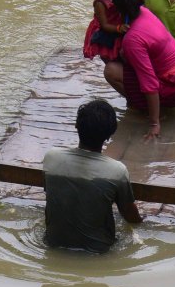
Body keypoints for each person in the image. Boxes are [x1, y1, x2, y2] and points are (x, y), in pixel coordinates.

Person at [42, 99, 143, 253]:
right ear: (109, 135)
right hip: (98, 251)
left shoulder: (51, 158)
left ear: (76, 126)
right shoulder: (117, 171)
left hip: (53, 244)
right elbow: (130, 216)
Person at [103, 0, 175, 140]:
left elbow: (149, 84)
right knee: (126, 57)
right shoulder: (145, 12)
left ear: (115, 4)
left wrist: (154, 123)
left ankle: (147, 110)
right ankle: (149, 107)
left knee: (111, 71)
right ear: (142, 0)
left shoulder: (133, 40)